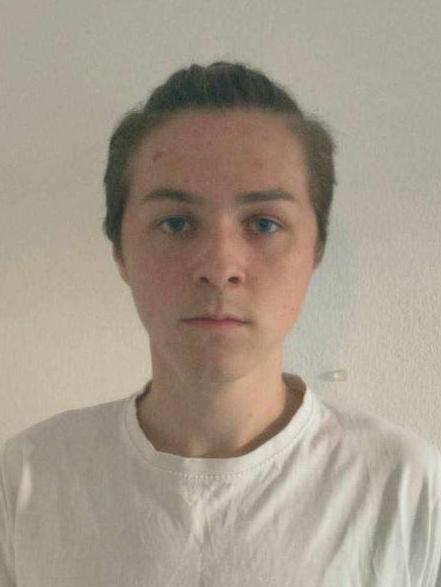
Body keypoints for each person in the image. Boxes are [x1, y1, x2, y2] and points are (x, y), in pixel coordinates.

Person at [1, 61, 440, 586]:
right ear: (120, 251)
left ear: (316, 250)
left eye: (264, 223)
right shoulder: (27, 480)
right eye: (176, 223)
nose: (219, 266)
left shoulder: (406, 488)